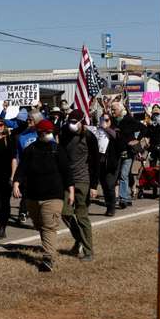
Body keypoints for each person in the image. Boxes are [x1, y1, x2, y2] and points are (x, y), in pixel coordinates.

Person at [13, 119, 72, 272]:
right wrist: (16, 183)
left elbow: (66, 172)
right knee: (39, 225)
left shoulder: (58, 149)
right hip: (33, 196)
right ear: (39, 133)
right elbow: (22, 169)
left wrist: (70, 190)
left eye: (50, 132)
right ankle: (48, 247)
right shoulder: (30, 150)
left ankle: (48, 258)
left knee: (49, 227)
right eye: (45, 132)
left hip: (53, 196)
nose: (48, 135)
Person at [60, 110, 99, 261]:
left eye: (74, 122)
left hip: (83, 180)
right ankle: (80, 240)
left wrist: (94, 185)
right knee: (65, 213)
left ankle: (88, 252)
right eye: (70, 121)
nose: (71, 124)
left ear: (82, 121)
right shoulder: (65, 133)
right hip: (67, 181)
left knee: (81, 216)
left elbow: (96, 162)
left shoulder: (89, 137)